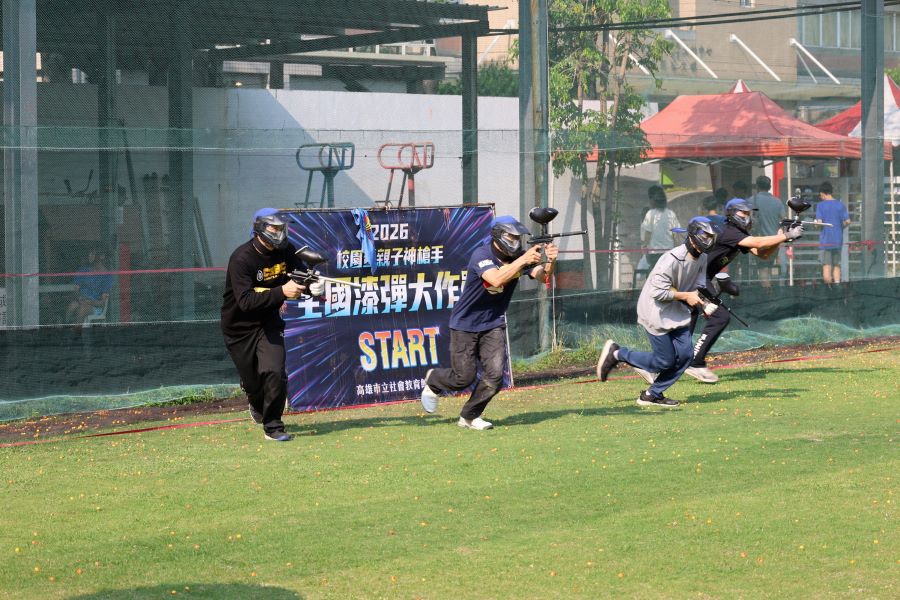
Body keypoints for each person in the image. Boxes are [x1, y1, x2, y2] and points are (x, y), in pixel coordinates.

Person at [419, 215, 558, 430]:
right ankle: (434, 380)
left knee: (495, 376)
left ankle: (469, 416)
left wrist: (550, 260)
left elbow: (543, 277)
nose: (515, 242)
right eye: (511, 237)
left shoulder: (518, 256)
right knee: (463, 378)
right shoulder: (482, 255)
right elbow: (496, 279)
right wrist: (523, 260)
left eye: (517, 238)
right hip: (465, 324)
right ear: (498, 235)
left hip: (493, 323)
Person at [220, 208, 325, 442]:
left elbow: (299, 277)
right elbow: (246, 302)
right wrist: (281, 292)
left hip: (268, 323)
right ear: (259, 228)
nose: (279, 233)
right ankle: (253, 395)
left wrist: (313, 288)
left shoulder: (286, 250)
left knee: (275, 371)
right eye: (273, 228)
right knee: (253, 382)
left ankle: (274, 427)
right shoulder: (241, 258)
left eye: (281, 228)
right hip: (239, 327)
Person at [596, 217, 718, 407]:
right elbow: (657, 292)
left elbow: (698, 285)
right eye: (704, 236)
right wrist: (686, 296)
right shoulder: (671, 259)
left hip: (676, 312)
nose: (707, 240)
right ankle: (618, 353)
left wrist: (703, 303)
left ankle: (651, 394)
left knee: (686, 356)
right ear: (692, 237)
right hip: (655, 311)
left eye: (710, 237)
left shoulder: (702, 258)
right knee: (664, 361)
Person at [683, 198, 804, 383]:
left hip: (699, 278)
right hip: (695, 278)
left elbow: (762, 253)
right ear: (732, 214)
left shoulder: (739, 234)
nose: (748, 217)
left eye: (749, 213)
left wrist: (781, 236)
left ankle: (659, 364)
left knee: (686, 323)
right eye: (744, 213)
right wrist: (787, 236)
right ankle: (695, 362)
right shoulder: (729, 231)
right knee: (720, 317)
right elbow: (759, 243)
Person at [751, 175, 787, 288]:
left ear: (757, 186)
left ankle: (766, 293)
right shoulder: (777, 202)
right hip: (774, 242)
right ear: (770, 187)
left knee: (762, 269)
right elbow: (784, 221)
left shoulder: (751, 201)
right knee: (769, 267)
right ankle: (770, 290)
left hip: (759, 241)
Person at [814, 181, 851, 285]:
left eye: (821, 195)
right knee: (836, 265)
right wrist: (840, 227)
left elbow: (819, 223)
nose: (821, 197)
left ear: (823, 193)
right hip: (838, 241)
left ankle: (829, 290)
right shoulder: (840, 205)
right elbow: (848, 221)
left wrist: (815, 224)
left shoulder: (820, 206)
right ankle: (837, 286)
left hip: (826, 241)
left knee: (826, 267)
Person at [65, 249, 112, 325]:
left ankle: (77, 331)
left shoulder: (107, 276)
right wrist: (79, 297)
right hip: (80, 301)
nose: (90, 256)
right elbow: (75, 290)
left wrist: (89, 301)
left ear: (101, 256)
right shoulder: (82, 270)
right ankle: (66, 326)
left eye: (93, 253)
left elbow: (102, 303)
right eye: (89, 253)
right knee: (72, 306)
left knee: (83, 309)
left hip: (95, 307)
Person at [640, 185, 681, 269]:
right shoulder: (671, 214)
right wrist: (678, 249)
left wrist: (644, 246)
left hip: (654, 254)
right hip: (669, 253)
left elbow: (647, 234)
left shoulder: (650, 214)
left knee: (655, 273)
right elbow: (676, 235)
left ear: (652, 200)